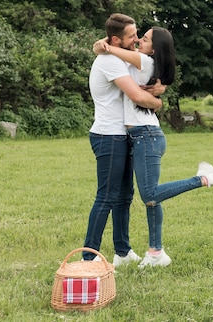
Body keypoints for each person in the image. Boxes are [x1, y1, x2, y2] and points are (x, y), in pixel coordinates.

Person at [94, 26, 213, 267]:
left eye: (144, 39)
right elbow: (115, 49)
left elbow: (116, 49)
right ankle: (156, 253)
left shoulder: (144, 62)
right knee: (151, 195)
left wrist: (104, 45)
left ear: (154, 48)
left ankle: (203, 178)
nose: (138, 41)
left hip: (145, 135)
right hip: (141, 135)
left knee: (149, 194)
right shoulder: (143, 63)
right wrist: (101, 43)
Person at [82, 13, 165, 266]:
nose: (137, 39)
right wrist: (158, 101)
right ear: (116, 39)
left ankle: (123, 252)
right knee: (106, 196)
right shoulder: (110, 61)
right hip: (108, 136)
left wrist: (159, 87)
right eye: (132, 36)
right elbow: (137, 96)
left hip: (123, 135)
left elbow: (144, 74)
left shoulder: (118, 56)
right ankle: (89, 257)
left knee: (123, 197)